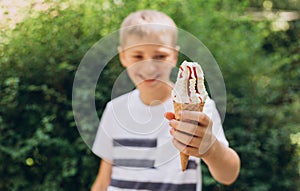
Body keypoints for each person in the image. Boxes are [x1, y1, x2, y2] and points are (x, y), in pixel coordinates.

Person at [91, 10, 240, 191]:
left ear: (174, 56)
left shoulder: (200, 111)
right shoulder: (114, 109)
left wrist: (211, 149)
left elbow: (228, 175)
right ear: (123, 57)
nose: (149, 66)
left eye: (160, 56)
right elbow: (104, 178)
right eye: (138, 56)